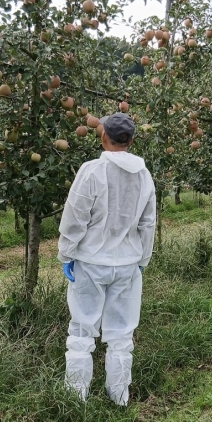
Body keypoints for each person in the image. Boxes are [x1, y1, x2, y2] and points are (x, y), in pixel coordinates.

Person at [58, 112, 156, 405]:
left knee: (81, 330)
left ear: (103, 137)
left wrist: (67, 253)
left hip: (90, 262)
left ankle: (76, 398)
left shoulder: (92, 171)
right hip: (127, 264)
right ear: (131, 141)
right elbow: (148, 223)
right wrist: (142, 259)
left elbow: (75, 217)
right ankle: (119, 397)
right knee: (122, 334)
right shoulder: (143, 174)